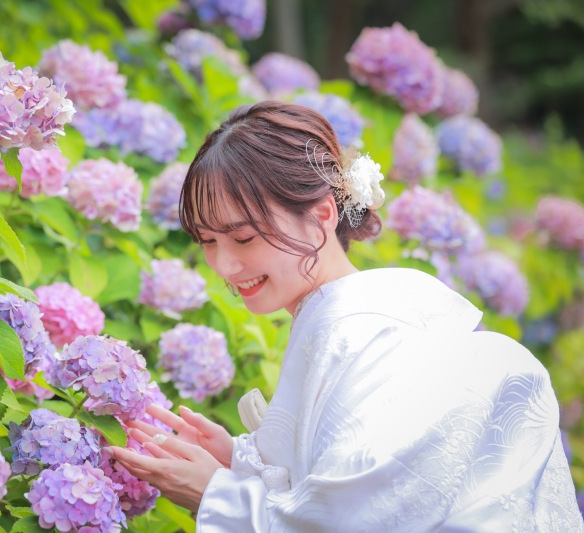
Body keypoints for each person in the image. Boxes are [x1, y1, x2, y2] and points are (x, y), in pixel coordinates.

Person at [108, 101, 583, 531]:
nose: (224, 265)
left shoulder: (364, 334)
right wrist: (237, 460)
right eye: (208, 242)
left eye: (244, 238)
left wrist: (218, 494)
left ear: (322, 215)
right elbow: (346, 477)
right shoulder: (357, 317)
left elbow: (358, 517)